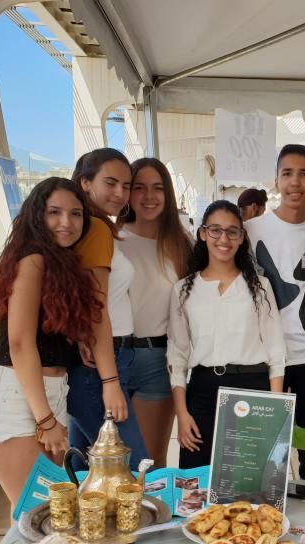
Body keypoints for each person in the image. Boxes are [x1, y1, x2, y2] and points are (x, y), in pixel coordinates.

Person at [0, 178, 102, 505]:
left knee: (40, 514)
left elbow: (47, 327)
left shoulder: (58, 262)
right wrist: (45, 419)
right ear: (36, 215)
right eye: (54, 212)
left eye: (75, 214)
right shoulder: (32, 258)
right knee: (35, 512)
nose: (66, 222)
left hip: (44, 394)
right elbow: (19, 344)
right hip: (17, 398)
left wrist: (76, 341)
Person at [169, 200, 286, 468]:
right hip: (202, 391)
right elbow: (177, 355)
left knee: (248, 484)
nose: (224, 238)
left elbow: (276, 351)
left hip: (252, 389)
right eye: (215, 230)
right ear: (202, 233)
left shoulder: (259, 287)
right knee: (195, 483)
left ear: (242, 237)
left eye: (233, 231)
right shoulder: (184, 289)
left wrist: (275, 412)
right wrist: (181, 412)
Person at [246, 144, 305, 476]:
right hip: (264, 357)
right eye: (287, 174)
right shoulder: (251, 231)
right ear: (276, 181)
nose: (295, 182)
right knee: (267, 452)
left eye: (304, 174)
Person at [70, 148, 148, 467]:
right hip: (102, 363)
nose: (120, 193)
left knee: (80, 469)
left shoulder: (94, 228)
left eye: (126, 185)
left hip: (99, 360)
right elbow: (97, 307)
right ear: (85, 183)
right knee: (137, 470)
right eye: (110, 183)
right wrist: (110, 381)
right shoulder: (96, 228)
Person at [116, 158, 193, 467]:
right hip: (111, 360)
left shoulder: (180, 243)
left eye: (158, 188)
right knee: (111, 463)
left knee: (148, 463)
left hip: (157, 360)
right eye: (140, 187)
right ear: (128, 193)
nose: (149, 196)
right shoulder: (112, 238)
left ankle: (156, 516)